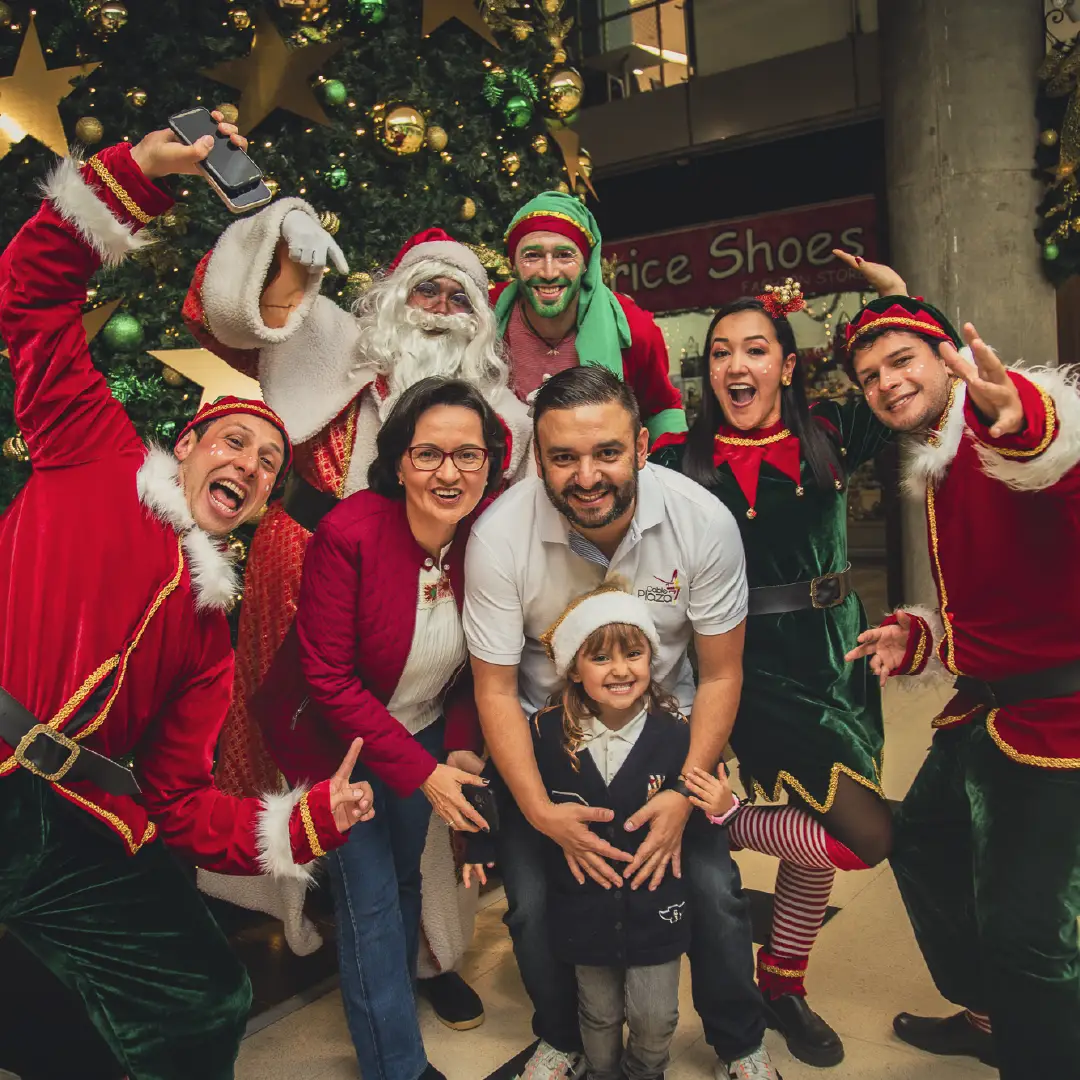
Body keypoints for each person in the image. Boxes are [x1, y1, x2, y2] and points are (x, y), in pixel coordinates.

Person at [0, 128, 372, 1079]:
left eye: (269, 464)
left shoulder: (211, 637)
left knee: (206, 999)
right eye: (234, 443)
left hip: (76, 829)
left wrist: (307, 821)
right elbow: (32, 295)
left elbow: (180, 802)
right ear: (191, 444)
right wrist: (137, 175)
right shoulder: (93, 452)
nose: (250, 465)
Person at [182, 142, 529, 1021]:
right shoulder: (336, 344)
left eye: (459, 297)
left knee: (417, 768)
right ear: (395, 299)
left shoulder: (501, 412)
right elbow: (239, 317)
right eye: (427, 290)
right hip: (300, 569)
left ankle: (428, 952)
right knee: (297, 751)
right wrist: (287, 240)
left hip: (430, 602)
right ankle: (300, 909)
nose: (440, 309)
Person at [464, 365, 784, 1080]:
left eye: (606, 452)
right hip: (548, 751)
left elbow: (721, 673)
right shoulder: (499, 537)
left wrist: (684, 791)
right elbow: (494, 688)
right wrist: (540, 811)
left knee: (714, 891)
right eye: (563, 457)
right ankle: (563, 1039)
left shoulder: (702, 522)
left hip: (667, 744)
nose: (587, 477)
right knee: (532, 904)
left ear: (641, 446)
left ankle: (740, 1044)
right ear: (537, 457)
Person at [648, 277, 897, 1067]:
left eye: (755, 350)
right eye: (721, 353)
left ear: (788, 366)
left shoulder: (832, 431)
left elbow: (916, 375)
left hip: (838, 658)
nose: (736, 365)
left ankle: (783, 983)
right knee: (863, 836)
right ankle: (716, 818)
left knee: (810, 836)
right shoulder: (676, 462)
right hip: (745, 668)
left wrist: (893, 304)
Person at [842, 293, 1080, 1079]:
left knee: (1030, 940)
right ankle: (988, 1016)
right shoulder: (938, 462)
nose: (885, 382)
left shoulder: (996, 429)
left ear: (948, 358)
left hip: (1057, 726)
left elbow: (1050, 450)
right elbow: (1000, 603)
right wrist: (919, 639)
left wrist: (1021, 420)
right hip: (985, 708)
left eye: (901, 361)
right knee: (921, 840)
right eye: (869, 376)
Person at [254, 377, 508, 1080]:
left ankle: (387, 1004)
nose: (449, 473)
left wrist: (460, 745)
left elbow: (480, 662)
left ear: (489, 464)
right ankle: (396, 1065)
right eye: (429, 454)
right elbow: (329, 679)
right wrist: (424, 773)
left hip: (422, 730)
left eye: (468, 455)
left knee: (402, 881)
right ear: (398, 461)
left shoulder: (486, 539)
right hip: (333, 742)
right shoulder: (351, 532)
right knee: (368, 898)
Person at [464, 581, 741, 1080]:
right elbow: (498, 783)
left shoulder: (678, 735)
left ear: (652, 658)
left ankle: (645, 1071)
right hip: (583, 911)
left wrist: (724, 807)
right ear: (573, 668)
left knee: (656, 1018)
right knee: (598, 1014)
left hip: (658, 912)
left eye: (633, 654)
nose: (620, 670)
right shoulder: (545, 733)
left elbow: (710, 807)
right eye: (600, 658)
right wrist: (479, 845)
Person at [494, 191, 686, 442]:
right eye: (532, 256)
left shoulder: (631, 326)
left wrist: (671, 459)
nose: (549, 272)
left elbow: (662, 409)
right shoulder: (485, 314)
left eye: (564, 255)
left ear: (586, 263)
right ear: (513, 263)